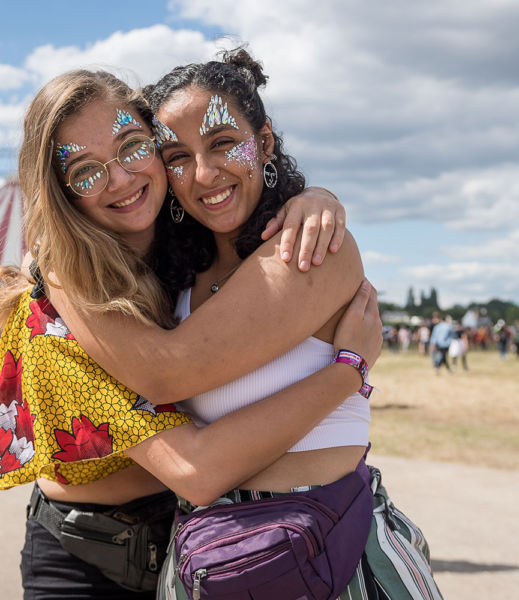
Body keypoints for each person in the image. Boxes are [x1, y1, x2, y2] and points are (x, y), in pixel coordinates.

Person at [48, 51, 443, 599]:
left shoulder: (310, 246)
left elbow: (171, 372)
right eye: (177, 156)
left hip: (332, 556)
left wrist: (319, 198)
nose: (205, 174)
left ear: (267, 140)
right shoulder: (175, 278)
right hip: (214, 563)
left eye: (224, 143)